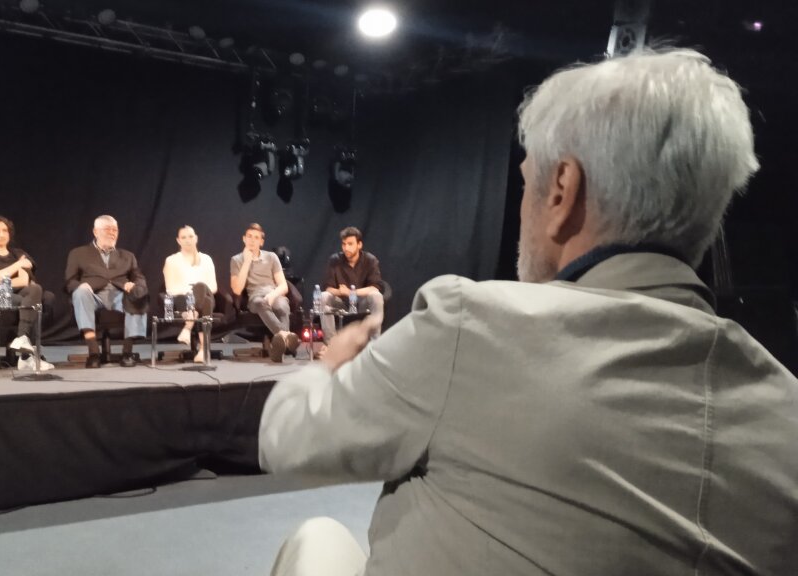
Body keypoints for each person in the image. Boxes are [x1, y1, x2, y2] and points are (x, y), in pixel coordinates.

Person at [259, 49, 798, 576]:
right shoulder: (786, 409)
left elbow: (287, 438)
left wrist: (329, 365)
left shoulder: (471, 325)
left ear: (562, 189)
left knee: (318, 538)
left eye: (525, 182)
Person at [65, 215, 148, 368]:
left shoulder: (128, 256)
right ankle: (93, 353)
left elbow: (139, 278)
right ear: (95, 232)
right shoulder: (78, 253)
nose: (112, 233)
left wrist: (134, 286)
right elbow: (70, 281)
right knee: (80, 292)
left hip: (119, 295)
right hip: (93, 295)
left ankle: (127, 353)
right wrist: (81, 286)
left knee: (137, 295)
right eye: (107, 229)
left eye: (115, 230)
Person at [0, 215, 54, 371]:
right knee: (32, 302)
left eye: (4, 230)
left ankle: (22, 339)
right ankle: (27, 356)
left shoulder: (18, 253)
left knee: (36, 289)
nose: (1, 234)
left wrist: (1, 279)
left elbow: (23, 280)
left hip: (18, 291)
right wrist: (17, 266)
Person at [230, 223, 298, 363]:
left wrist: (272, 295)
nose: (252, 240)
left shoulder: (271, 257)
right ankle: (286, 337)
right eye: (249, 236)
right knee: (260, 302)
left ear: (261, 242)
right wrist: (247, 262)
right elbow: (237, 289)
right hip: (255, 297)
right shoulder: (236, 260)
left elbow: (283, 285)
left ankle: (278, 350)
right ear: (244, 239)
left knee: (282, 306)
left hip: (274, 293)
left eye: (256, 238)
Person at [319, 226, 384, 343]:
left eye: (350, 244)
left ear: (359, 245)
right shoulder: (335, 260)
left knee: (376, 296)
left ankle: (375, 343)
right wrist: (340, 292)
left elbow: (375, 287)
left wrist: (351, 292)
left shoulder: (370, 260)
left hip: (362, 303)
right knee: (324, 296)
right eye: (344, 244)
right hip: (342, 303)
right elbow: (328, 288)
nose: (346, 248)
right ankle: (331, 344)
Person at [162, 225, 217, 363]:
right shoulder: (171, 260)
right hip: (181, 299)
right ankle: (204, 349)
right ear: (178, 240)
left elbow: (213, 286)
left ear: (196, 238)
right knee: (205, 302)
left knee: (201, 288)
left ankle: (188, 326)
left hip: (206, 294)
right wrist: (190, 293)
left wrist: (198, 290)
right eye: (184, 237)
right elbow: (170, 288)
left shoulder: (206, 259)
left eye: (191, 236)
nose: (188, 240)